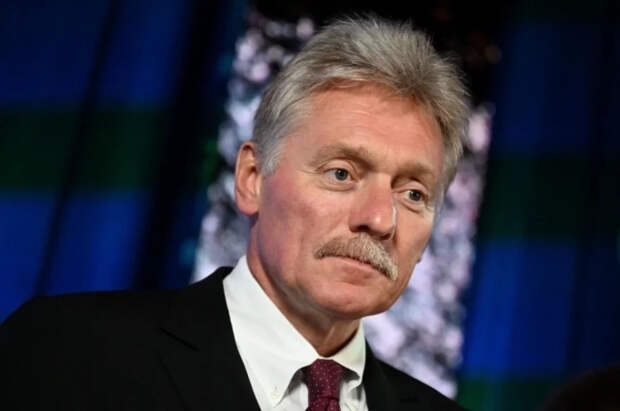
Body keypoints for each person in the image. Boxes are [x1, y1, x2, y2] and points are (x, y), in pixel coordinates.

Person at [0, 15, 469, 411]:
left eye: (413, 195)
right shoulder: (67, 353)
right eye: (342, 174)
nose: (381, 219)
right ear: (252, 178)